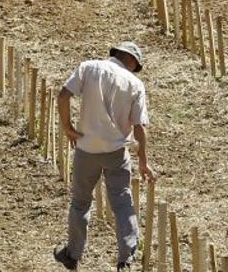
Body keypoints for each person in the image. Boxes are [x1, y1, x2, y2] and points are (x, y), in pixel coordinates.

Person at [53, 41, 155, 271]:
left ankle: (73, 254)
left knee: (80, 203)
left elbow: (62, 97)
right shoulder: (135, 84)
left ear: (116, 54)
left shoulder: (88, 67)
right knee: (122, 204)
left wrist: (68, 127)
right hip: (115, 153)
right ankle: (125, 259)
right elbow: (140, 127)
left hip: (86, 149)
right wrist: (144, 162)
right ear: (132, 61)